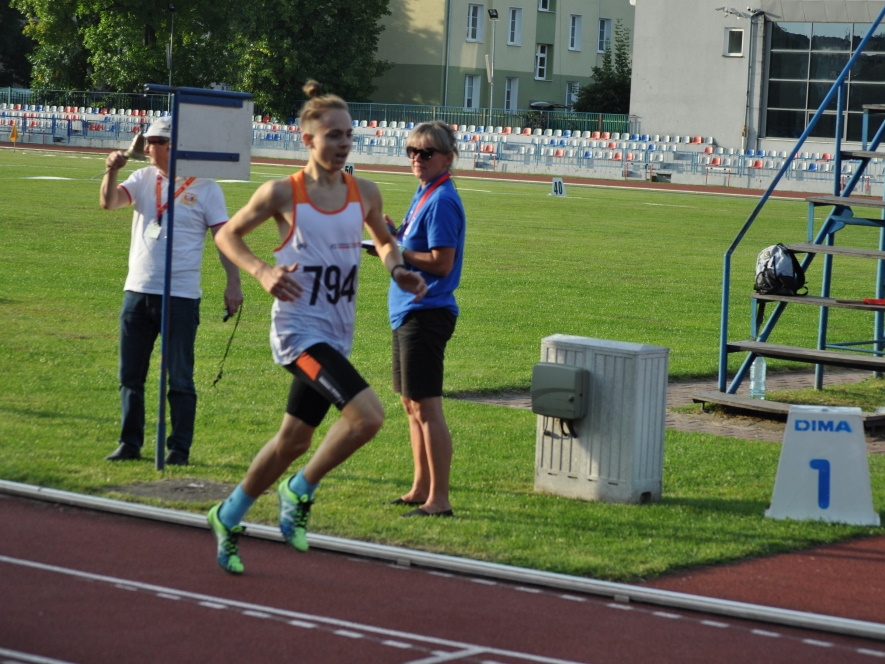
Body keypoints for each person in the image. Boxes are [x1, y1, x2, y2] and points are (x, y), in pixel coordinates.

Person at [206, 80, 427, 575]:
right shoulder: (283, 192)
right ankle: (299, 489)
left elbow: (385, 241)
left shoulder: (364, 192)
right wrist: (262, 271)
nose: (343, 143)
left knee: (293, 441)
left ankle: (227, 514)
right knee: (368, 417)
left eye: (348, 134)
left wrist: (397, 268)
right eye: (332, 135)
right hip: (298, 334)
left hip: (336, 332)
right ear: (307, 139)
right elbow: (227, 234)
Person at [100, 115, 243, 466]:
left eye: (155, 142)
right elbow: (110, 202)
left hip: (180, 296)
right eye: (147, 141)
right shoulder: (142, 178)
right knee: (130, 375)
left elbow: (223, 239)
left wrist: (233, 282)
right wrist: (111, 171)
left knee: (179, 377)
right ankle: (129, 443)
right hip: (138, 290)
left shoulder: (207, 188)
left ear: (174, 146)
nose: (147, 148)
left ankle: (178, 448)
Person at [385, 121, 465, 518]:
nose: (417, 158)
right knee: (411, 405)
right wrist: (392, 235)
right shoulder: (424, 192)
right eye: (412, 151)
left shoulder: (442, 200)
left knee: (428, 407)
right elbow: (412, 242)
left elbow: (441, 261)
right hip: (409, 310)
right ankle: (420, 487)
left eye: (426, 153)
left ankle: (440, 499)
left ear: (447, 159)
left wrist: (396, 253)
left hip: (427, 312)